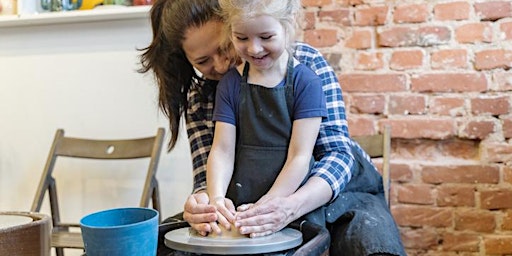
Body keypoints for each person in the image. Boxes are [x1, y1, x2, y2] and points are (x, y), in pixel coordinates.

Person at [139, 0, 406, 255]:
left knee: (365, 236)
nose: (219, 66)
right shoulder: (202, 98)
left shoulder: (304, 65)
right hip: (252, 200)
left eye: (222, 48)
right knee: (161, 241)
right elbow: (210, 169)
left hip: (331, 188)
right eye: (202, 61)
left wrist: (289, 206)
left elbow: (337, 155)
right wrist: (203, 204)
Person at [206, 0, 326, 235]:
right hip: (242, 202)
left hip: (288, 205)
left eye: (266, 37)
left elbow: (299, 157)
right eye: (241, 38)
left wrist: (269, 205)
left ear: (288, 26)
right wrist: (217, 197)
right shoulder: (230, 84)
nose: (254, 49)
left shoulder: (307, 82)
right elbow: (222, 150)